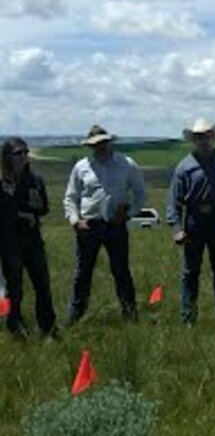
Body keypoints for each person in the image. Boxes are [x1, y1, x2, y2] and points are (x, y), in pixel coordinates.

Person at [63, 125, 147, 324]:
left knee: (121, 271)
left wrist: (129, 215)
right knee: (83, 273)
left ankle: (130, 315)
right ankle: (75, 317)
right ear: (90, 146)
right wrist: (75, 221)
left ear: (109, 142)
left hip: (115, 226)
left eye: (103, 142)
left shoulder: (127, 164)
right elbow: (70, 197)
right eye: (95, 144)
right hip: (88, 226)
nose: (100, 146)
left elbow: (141, 194)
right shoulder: (81, 167)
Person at [167, 119, 215, 326]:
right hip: (194, 221)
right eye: (199, 137)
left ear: (212, 138)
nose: (203, 141)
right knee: (191, 271)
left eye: (206, 136)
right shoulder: (184, 166)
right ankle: (188, 316)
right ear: (194, 140)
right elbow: (174, 200)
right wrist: (176, 229)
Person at [0, 138, 57, 339]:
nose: (23, 157)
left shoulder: (35, 180)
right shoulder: (3, 183)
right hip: (9, 242)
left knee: (42, 284)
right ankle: (15, 325)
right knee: (14, 288)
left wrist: (35, 211)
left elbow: (44, 208)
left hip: (32, 240)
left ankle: (48, 327)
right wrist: (19, 214)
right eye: (18, 153)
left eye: (25, 152)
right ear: (7, 156)